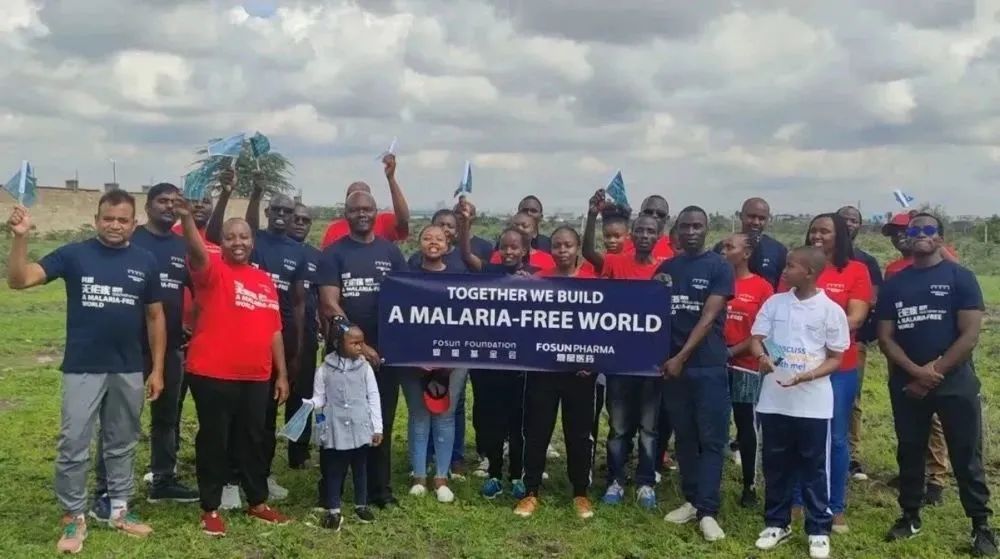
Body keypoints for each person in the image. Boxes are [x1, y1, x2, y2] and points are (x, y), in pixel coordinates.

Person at [7, 194, 166, 553]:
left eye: (122, 220)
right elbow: (19, 280)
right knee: (74, 443)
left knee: (123, 441)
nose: (115, 225)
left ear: (134, 224)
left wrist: (157, 369)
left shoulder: (145, 260)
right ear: (96, 220)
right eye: (108, 218)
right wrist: (20, 237)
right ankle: (73, 516)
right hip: (82, 367)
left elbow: (155, 316)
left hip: (128, 368)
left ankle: (119, 509)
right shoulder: (74, 255)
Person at [877, 214, 997, 556]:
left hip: (954, 382)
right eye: (914, 229)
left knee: (966, 454)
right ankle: (910, 516)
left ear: (941, 238)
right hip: (908, 383)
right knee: (910, 450)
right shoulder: (895, 283)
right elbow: (886, 337)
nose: (921, 234)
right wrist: (915, 372)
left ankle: (981, 525)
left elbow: (969, 335)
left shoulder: (961, 277)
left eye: (929, 229)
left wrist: (933, 373)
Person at [177, 199, 290, 537]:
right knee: (215, 440)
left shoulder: (264, 280)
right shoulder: (211, 270)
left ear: (252, 241)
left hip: (256, 375)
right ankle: (210, 508)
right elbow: (196, 251)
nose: (237, 242)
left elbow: (274, 329)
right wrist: (187, 219)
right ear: (221, 242)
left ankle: (257, 501)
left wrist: (282, 374)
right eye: (230, 237)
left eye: (243, 237)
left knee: (253, 439)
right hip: (212, 373)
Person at [95, 183, 198, 508]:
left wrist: (189, 325)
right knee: (119, 418)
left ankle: (163, 480)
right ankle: (107, 487)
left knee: (167, 417)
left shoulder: (182, 245)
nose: (169, 206)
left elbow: (200, 286)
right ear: (148, 206)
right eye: (162, 201)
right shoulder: (132, 239)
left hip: (170, 347)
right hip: (128, 346)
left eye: (174, 202)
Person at [750, 246, 850, 559]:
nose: (784, 270)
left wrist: (808, 376)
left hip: (813, 403)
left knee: (814, 467)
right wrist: (763, 357)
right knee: (775, 464)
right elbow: (757, 339)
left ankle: (818, 529)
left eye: (791, 266)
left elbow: (836, 357)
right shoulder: (775, 303)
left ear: (809, 272)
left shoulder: (830, 310)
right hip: (774, 400)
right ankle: (776, 523)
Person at [782, 213, 872, 534]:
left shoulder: (856, 270)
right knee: (798, 433)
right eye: (814, 230)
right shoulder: (797, 266)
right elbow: (784, 310)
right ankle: (796, 499)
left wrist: (812, 329)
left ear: (840, 236)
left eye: (825, 231)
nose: (817, 236)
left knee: (835, 438)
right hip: (798, 366)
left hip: (838, 367)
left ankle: (834, 506)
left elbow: (856, 318)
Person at [318, 190, 408, 509]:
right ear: (346, 214)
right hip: (345, 355)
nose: (362, 214)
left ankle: (379, 490)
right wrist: (359, 345)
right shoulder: (333, 254)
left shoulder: (391, 252)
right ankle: (331, 490)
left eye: (367, 209)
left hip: (386, 352)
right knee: (340, 419)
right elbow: (329, 304)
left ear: (375, 212)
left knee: (379, 418)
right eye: (355, 210)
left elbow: (408, 296)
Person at [657, 206, 735, 542]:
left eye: (697, 226)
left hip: (707, 365)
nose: (691, 232)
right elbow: (652, 315)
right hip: (673, 369)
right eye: (685, 226)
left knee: (712, 440)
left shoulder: (719, 266)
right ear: (676, 230)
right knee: (685, 437)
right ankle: (691, 500)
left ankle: (708, 511)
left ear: (706, 229)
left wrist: (681, 357)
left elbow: (708, 318)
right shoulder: (667, 269)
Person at [514, 227, 597, 520]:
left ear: (577, 247)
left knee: (579, 434)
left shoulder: (593, 282)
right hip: (543, 371)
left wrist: (593, 360)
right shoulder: (538, 280)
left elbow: (604, 326)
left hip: (580, 373)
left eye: (568, 245)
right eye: (557, 245)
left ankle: (580, 493)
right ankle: (531, 491)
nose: (562, 250)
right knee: (537, 432)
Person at [236, 175, 308, 499]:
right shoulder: (255, 240)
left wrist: (297, 351)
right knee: (244, 413)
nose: (281, 215)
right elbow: (247, 223)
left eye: (287, 211)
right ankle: (235, 477)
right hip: (247, 334)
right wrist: (255, 191)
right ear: (267, 212)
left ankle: (262, 476)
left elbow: (299, 303)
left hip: (281, 338)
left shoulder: (298, 252)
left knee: (268, 414)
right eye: (276, 209)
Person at [457, 203, 536, 499]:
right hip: (490, 361)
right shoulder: (489, 271)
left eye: (515, 248)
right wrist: (466, 224)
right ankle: (493, 474)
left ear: (525, 251)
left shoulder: (536, 278)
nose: (509, 252)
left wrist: (533, 288)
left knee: (517, 423)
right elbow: (466, 256)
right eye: (504, 247)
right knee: (492, 421)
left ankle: (516, 475)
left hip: (520, 364)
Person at [882, 212, 952, 504]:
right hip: (900, 352)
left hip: (933, 356)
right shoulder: (893, 269)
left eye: (905, 230)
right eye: (895, 232)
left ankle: (936, 477)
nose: (900, 236)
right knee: (906, 415)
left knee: (934, 417)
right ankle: (912, 471)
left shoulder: (942, 260)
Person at [600, 215, 668, 509]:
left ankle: (645, 482)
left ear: (659, 235)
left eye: (650, 231)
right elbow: (599, 298)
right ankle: (615, 480)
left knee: (649, 429)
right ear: (631, 234)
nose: (644, 235)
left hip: (652, 363)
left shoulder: (667, 269)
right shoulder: (615, 263)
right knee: (618, 427)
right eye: (639, 230)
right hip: (619, 359)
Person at [401, 225, 467, 503]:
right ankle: (418, 476)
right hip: (412, 359)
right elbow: (400, 318)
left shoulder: (459, 279)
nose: (433, 242)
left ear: (447, 244)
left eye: (439, 238)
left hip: (452, 360)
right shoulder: (406, 278)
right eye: (427, 237)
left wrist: (450, 359)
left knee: (445, 416)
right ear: (419, 243)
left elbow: (467, 320)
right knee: (418, 415)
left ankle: (441, 477)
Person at [305, 323, 383, 532]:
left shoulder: (365, 368)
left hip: (360, 426)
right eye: (354, 343)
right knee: (334, 469)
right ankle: (333, 510)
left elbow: (373, 396)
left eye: (361, 343)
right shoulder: (324, 370)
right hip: (335, 427)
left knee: (360, 468)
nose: (359, 347)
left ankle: (361, 505)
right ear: (338, 343)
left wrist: (377, 427)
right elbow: (320, 397)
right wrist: (312, 406)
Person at [720, 232, 774, 508]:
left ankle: (749, 485)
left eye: (730, 247)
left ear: (747, 253)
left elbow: (762, 331)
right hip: (715, 364)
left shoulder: (762, 288)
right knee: (714, 424)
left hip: (746, 366)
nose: (723, 251)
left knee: (746, 424)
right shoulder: (717, 281)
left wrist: (732, 351)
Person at [836, 206, 883, 483]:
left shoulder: (867, 262)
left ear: (859, 226)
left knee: (851, 398)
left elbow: (870, 300)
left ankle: (851, 455)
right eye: (844, 219)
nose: (849, 224)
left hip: (854, 340)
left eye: (854, 220)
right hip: (812, 342)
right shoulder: (819, 257)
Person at [286, 203, 322, 470]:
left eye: (305, 220)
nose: (299, 223)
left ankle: (298, 453)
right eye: (295, 218)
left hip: (305, 336)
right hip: (272, 332)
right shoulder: (271, 249)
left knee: (302, 396)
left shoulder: (316, 257)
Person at [320, 153, 410, 248]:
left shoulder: (383, 221)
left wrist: (391, 179)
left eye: (364, 201)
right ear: (346, 209)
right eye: (354, 200)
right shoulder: (334, 230)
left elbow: (403, 220)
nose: (361, 213)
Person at [713, 198, 787, 288]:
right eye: (751, 216)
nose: (756, 222)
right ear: (741, 216)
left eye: (762, 218)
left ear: (768, 220)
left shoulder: (778, 250)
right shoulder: (723, 247)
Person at [581, 188, 631, 275]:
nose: (612, 240)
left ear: (627, 235)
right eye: (607, 236)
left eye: (617, 236)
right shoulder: (605, 260)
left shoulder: (632, 258)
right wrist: (592, 215)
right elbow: (588, 253)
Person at [489, 210, 555, 269]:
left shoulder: (547, 260)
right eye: (515, 225)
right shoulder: (497, 256)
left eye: (524, 226)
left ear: (534, 232)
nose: (519, 228)